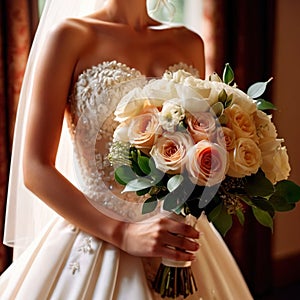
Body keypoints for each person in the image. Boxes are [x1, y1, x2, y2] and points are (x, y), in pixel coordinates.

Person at [0, 0, 253, 299]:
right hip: (96, 232)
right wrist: (122, 232)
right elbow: (35, 168)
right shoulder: (70, 36)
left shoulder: (188, 41)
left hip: (173, 236)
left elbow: (195, 144)